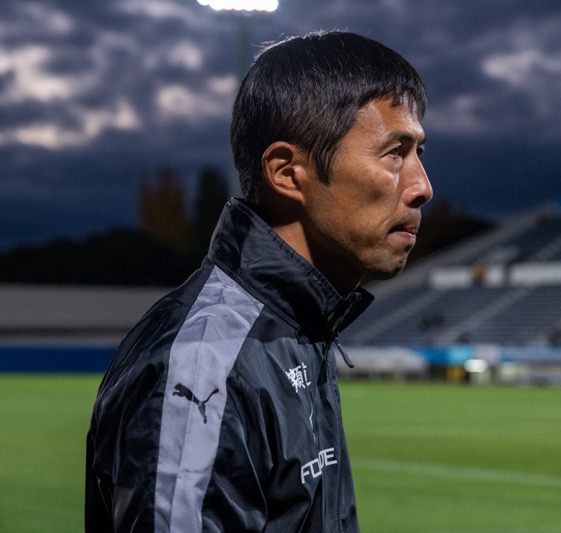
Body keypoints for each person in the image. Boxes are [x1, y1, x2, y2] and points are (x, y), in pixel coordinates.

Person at [85, 30, 432, 532]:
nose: (422, 186)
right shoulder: (205, 368)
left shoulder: (300, 328)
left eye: (420, 152)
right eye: (395, 153)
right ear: (287, 173)